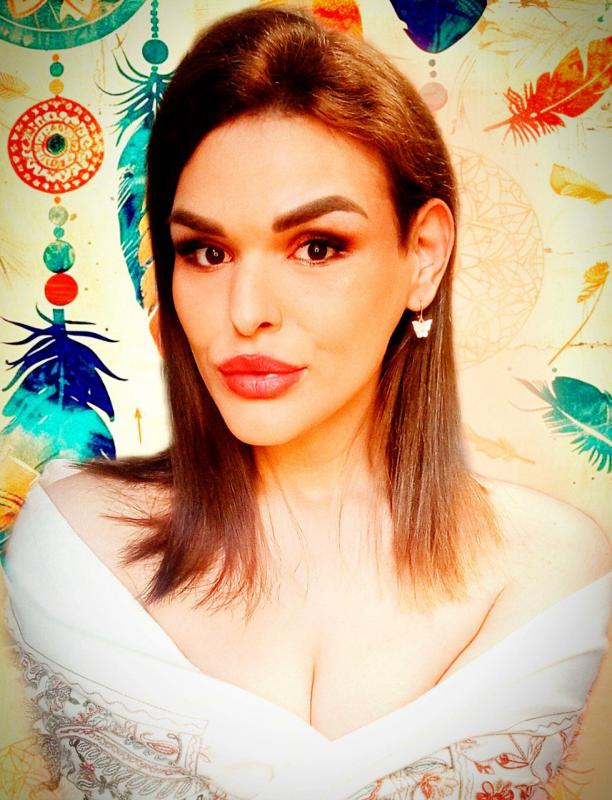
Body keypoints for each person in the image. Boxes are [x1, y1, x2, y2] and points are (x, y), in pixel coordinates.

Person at [2, 6, 610, 799]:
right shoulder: (78, 541)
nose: (246, 311)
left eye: (316, 247)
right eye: (207, 252)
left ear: (424, 256)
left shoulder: (549, 564)